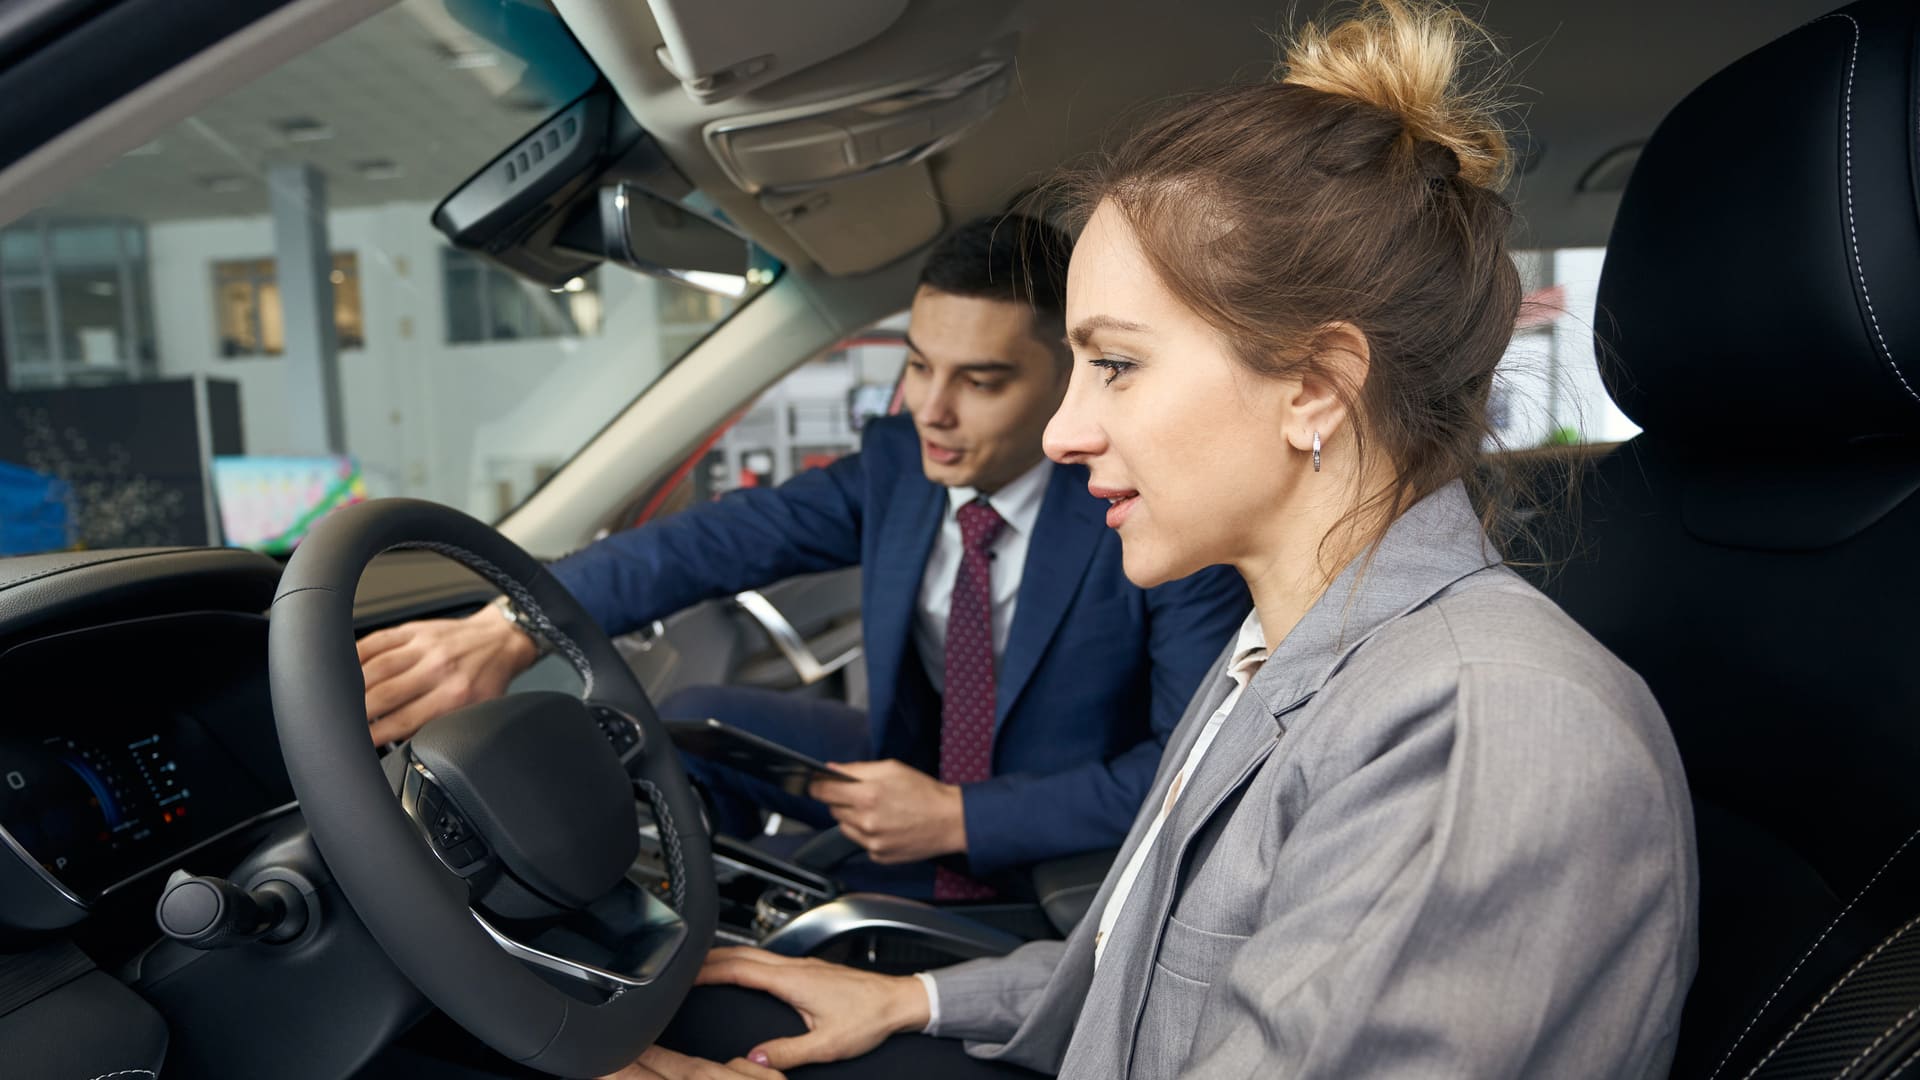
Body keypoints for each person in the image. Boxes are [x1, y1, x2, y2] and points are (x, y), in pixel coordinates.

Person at [621, 2, 1699, 1078]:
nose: (1062, 432)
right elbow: (1154, 972)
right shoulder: (1276, 652)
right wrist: (917, 998)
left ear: (1316, 388)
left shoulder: (1478, 724)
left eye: (1117, 365)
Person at [357, 214, 1251, 898]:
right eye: (918, 366)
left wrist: (957, 818)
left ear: (1067, 377)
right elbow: (707, 544)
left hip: (1062, 848)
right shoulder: (900, 467)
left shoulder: (1148, 512)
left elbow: (1186, 766)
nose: (932, 409)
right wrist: (514, 627)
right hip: (917, 758)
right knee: (690, 721)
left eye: (980, 381)